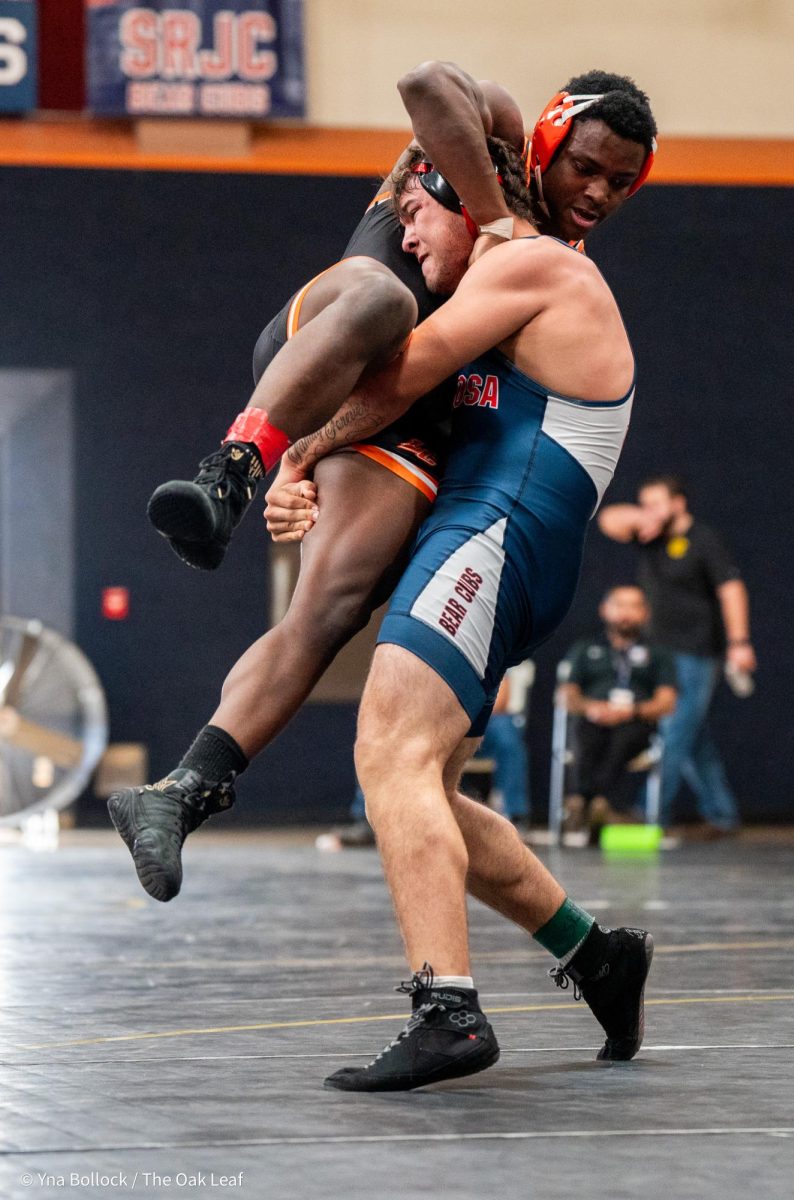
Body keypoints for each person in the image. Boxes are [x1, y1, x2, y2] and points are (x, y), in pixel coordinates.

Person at [107, 69, 659, 899]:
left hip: (403, 421)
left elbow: (414, 392)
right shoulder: (494, 154)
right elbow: (425, 83)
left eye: (621, 182)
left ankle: (184, 790)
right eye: (586, 167)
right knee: (383, 294)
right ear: (545, 140)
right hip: (335, 352)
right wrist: (495, 217)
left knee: (332, 610)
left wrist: (309, 457)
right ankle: (231, 470)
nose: (598, 191)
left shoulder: (553, 262)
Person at [250, 140, 653, 1092]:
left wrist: (283, 448)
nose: (407, 234)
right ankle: (596, 955)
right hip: (491, 543)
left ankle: (450, 1012)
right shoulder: (498, 278)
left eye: (422, 215)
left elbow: (397, 375)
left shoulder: (531, 261)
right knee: (425, 786)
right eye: (585, 170)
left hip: (496, 537)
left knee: (387, 755)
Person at [598, 475, 756, 836]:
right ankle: (722, 814)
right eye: (644, 503)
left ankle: (649, 811)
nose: (649, 510)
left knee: (675, 729)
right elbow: (608, 519)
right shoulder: (651, 535)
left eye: (656, 503)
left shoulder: (703, 540)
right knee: (694, 737)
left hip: (696, 652)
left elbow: (732, 589)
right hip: (659, 653)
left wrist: (739, 642)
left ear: (679, 503)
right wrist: (643, 518)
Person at [560, 585, 677, 838]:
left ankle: (584, 800)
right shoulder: (585, 648)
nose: (626, 613)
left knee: (625, 736)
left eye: (634, 606)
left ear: (645, 613)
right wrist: (591, 707)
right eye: (619, 605)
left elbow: (667, 702)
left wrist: (631, 711)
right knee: (584, 731)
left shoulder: (658, 653)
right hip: (593, 718)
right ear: (605, 610)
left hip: (636, 722)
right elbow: (566, 694)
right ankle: (599, 803)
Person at [472, 663, 533, 829]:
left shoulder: (492, 651)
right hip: (445, 720)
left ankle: (514, 812)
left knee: (506, 728)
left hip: (483, 723)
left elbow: (501, 700)